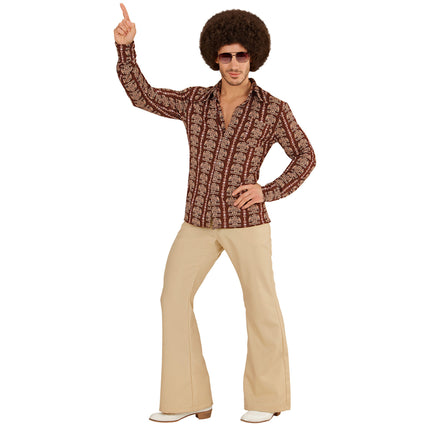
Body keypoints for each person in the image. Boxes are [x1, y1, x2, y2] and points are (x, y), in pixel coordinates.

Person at [113, 3, 316, 424]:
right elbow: (143, 96)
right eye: (226, 55)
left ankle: (267, 398)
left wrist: (267, 191)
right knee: (173, 297)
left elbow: (305, 156)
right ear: (214, 57)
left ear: (254, 56)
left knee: (261, 306)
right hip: (197, 222)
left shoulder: (273, 109)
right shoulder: (195, 102)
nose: (235, 63)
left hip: (246, 224)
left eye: (242, 55)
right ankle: (187, 398)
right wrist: (126, 49)